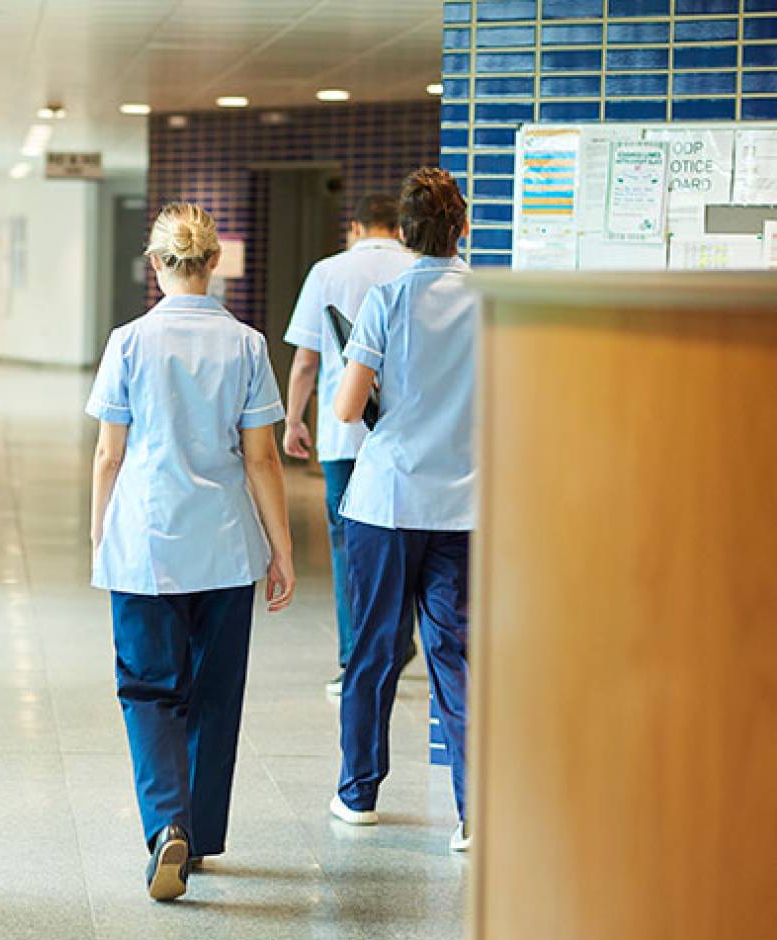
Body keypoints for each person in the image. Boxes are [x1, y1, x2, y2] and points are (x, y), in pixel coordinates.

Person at [87, 203, 296, 902]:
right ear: (214, 266)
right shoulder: (247, 345)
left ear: (156, 266)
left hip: (146, 539)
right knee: (213, 694)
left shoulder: (128, 343)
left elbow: (109, 454)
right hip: (226, 546)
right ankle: (197, 836)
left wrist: (101, 532)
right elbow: (262, 457)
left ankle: (165, 823)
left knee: (148, 690)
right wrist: (282, 549)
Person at [327, 168, 476, 854]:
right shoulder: (492, 301)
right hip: (464, 504)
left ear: (407, 235)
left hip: (385, 504)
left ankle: (359, 794)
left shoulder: (387, 299)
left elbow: (347, 408)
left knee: (373, 652)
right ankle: (474, 812)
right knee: (456, 654)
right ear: (463, 228)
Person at [282, 194, 417, 696]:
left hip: (343, 434)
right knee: (403, 537)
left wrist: (295, 419)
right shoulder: (417, 267)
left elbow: (305, 360)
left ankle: (353, 655)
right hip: (404, 432)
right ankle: (398, 639)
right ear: (397, 227)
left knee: (346, 544)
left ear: (356, 226)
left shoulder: (327, 271)